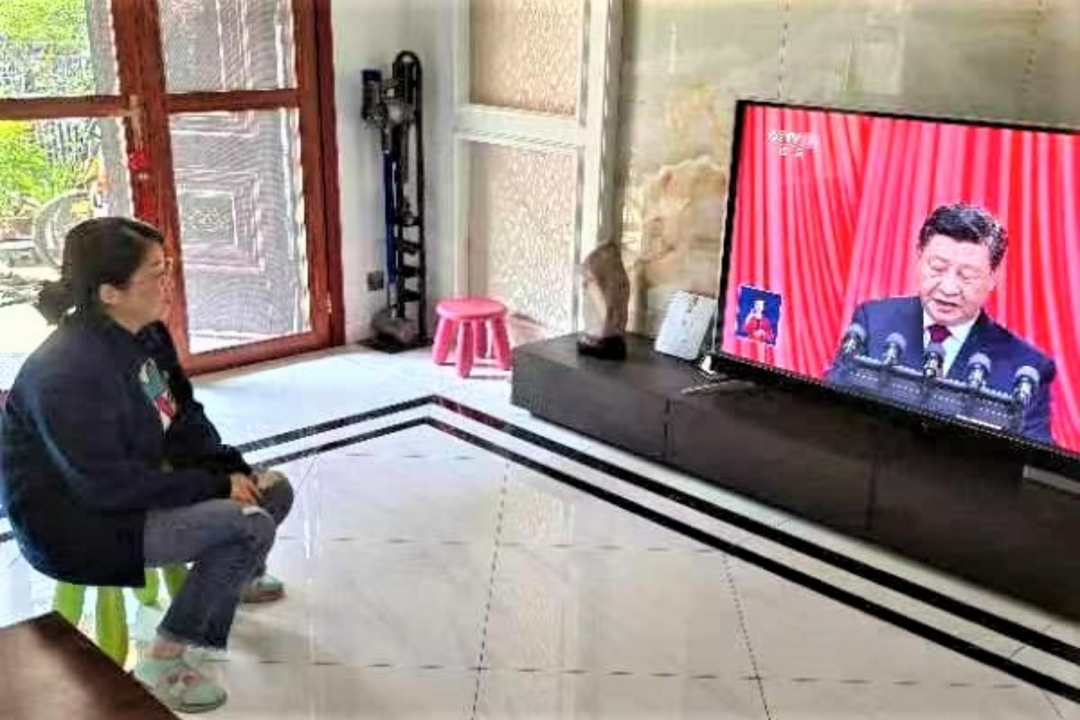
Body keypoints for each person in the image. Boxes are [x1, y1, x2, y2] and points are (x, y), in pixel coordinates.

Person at [0, 217, 293, 713]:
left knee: (273, 489)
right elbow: (106, 490)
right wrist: (213, 487)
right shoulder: (66, 372)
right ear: (110, 293)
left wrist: (231, 469)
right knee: (248, 525)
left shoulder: (146, 333)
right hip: (79, 523)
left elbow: (181, 417)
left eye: (167, 267)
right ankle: (161, 662)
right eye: (156, 274)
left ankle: (233, 579)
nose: (170, 283)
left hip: (132, 481)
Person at [826, 203, 1056, 443]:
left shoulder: (1026, 368)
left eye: (966, 276)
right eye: (937, 268)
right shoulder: (874, 322)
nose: (948, 288)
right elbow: (830, 413)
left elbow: (1033, 459)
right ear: (919, 257)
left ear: (993, 276)